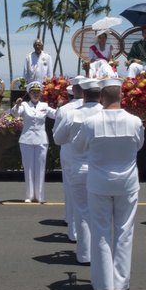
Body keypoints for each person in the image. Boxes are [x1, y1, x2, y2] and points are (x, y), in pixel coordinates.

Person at [73, 78, 144, 290]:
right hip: (127, 183)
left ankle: (104, 285)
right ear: (121, 97)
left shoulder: (91, 122)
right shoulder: (135, 121)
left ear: (102, 98)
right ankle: (121, 284)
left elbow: (77, 146)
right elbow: (139, 145)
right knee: (124, 232)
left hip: (99, 183)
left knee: (101, 233)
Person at [53, 78, 102, 265]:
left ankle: (84, 255)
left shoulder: (72, 114)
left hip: (79, 166)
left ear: (80, 93)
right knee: (101, 213)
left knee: (81, 212)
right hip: (100, 168)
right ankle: (101, 252)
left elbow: (58, 139)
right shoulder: (105, 113)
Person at [10, 81, 56, 203]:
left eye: (38, 92)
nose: (36, 94)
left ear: (41, 93)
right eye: (33, 92)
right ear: (29, 93)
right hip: (27, 139)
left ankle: (40, 195)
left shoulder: (45, 106)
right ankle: (29, 195)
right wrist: (17, 105)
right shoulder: (24, 105)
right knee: (28, 168)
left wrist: (62, 107)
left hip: (41, 139)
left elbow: (55, 114)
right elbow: (14, 114)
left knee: (40, 168)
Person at [53, 77, 85, 242]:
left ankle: (73, 230)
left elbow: (57, 135)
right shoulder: (99, 109)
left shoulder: (65, 110)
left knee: (71, 191)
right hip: (90, 156)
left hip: (69, 152)